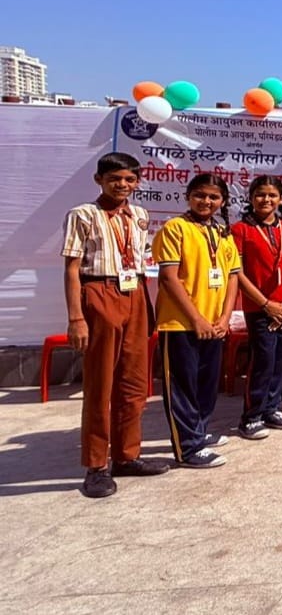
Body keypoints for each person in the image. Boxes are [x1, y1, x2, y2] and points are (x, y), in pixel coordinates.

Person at [61, 151, 169, 498]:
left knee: (134, 381)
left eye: (129, 179)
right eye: (114, 179)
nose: (122, 185)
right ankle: (96, 466)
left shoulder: (139, 215)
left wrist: (146, 306)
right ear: (99, 180)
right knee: (100, 383)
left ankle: (127, 455)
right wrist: (76, 317)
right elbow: (72, 269)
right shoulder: (83, 215)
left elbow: (139, 263)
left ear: (137, 182)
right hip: (99, 291)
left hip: (134, 292)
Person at [152, 174, 241, 468]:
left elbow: (232, 277)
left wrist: (225, 318)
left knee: (206, 385)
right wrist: (197, 319)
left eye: (214, 197)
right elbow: (168, 277)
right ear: (188, 196)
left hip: (214, 324)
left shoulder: (222, 232)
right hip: (181, 324)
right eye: (200, 195)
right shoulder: (175, 228)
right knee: (182, 388)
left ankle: (199, 432)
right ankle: (188, 449)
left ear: (223, 201)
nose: (206, 201)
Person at [232, 175, 282, 439]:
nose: (266, 199)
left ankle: (272, 408)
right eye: (260, 195)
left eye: (272, 195)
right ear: (251, 198)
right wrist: (267, 305)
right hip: (260, 308)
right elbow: (237, 272)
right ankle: (251, 416)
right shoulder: (240, 229)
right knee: (263, 360)